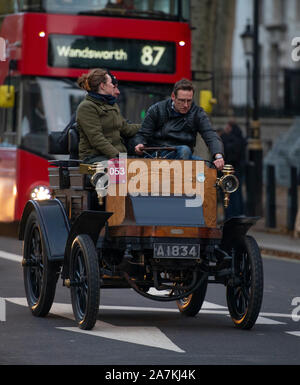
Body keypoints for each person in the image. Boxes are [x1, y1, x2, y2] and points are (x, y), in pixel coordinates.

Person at [134, 78, 224, 170]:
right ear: (173, 96)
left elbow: (210, 134)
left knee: (202, 165)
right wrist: (139, 144)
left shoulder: (197, 113)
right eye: (182, 100)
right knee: (184, 150)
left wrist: (218, 155)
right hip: (158, 155)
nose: (185, 105)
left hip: (185, 156)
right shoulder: (157, 109)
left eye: (189, 101)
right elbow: (142, 134)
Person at [76, 68, 140, 163]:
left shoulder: (111, 104)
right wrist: (119, 157)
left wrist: (149, 125)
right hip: (94, 158)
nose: (113, 86)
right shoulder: (87, 107)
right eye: (111, 83)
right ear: (102, 86)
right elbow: (97, 139)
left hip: (115, 156)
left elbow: (126, 129)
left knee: (146, 168)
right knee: (126, 172)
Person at [221, 120, 247, 218]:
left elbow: (230, 155)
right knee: (237, 193)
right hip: (238, 170)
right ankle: (239, 213)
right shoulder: (240, 139)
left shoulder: (229, 140)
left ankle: (231, 215)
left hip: (231, 171)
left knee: (230, 194)